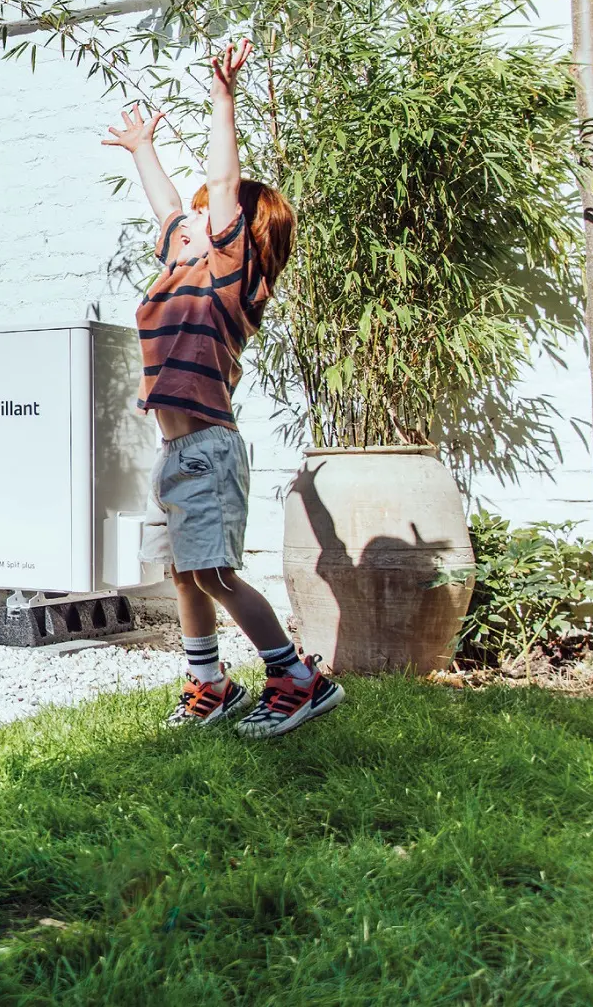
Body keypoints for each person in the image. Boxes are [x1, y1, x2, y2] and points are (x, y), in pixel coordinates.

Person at [102, 40, 345, 738]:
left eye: (210, 222)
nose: (188, 227)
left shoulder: (227, 278)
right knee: (184, 572)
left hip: (206, 449)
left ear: (235, 234)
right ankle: (208, 681)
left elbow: (220, 182)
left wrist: (221, 99)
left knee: (215, 574)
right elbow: (168, 204)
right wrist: (142, 146)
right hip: (174, 454)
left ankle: (295, 676)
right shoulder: (182, 261)